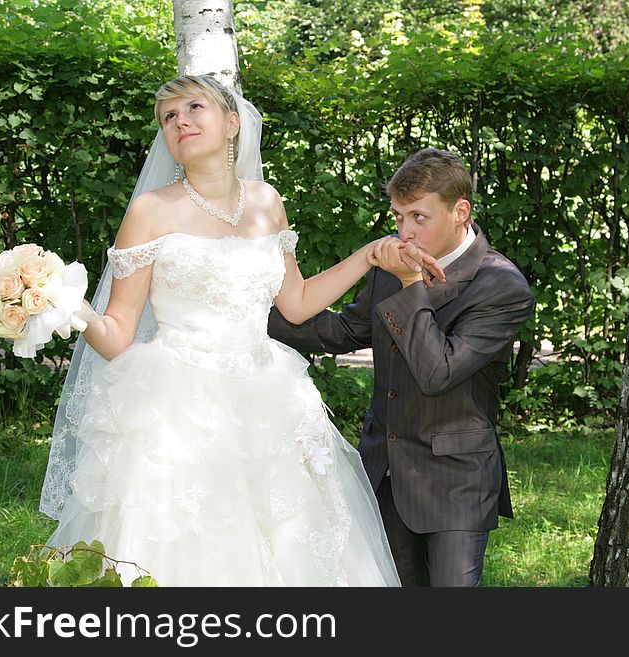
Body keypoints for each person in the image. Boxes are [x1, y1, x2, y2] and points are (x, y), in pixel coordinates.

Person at [37, 75, 447, 586]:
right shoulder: (150, 211)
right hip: (177, 400)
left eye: (193, 107)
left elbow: (295, 305)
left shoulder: (265, 202)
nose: (180, 120)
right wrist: (63, 305)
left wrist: (368, 256)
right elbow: (118, 333)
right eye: (168, 117)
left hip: (266, 392)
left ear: (232, 124)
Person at [268, 148, 535, 586]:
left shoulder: (501, 285)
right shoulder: (392, 269)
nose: (404, 233)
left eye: (418, 217)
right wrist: (249, 317)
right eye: (397, 217)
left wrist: (410, 283)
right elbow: (346, 331)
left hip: (456, 480)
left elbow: (438, 372)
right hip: (385, 469)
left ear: (460, 212)